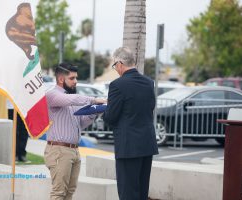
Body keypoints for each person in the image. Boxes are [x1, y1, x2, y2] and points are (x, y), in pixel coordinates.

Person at [45, 63, 106, 200]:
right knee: (59, 193)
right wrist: (94, 99)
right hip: (59, 151)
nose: (76, 81)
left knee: (69, 192)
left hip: (73, 151)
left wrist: (94, 113)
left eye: (76, 78)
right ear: (61, 79)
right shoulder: (53, 95)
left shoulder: (69, 98)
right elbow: (74, 99)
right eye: (72, 78)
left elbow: (80, 123)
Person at [104, 47, 159, 200]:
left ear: (120, 63)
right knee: (142, 191)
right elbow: (150, 107)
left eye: (114, 66)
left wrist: (103, 112)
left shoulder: (117, 85)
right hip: (146, 144)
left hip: (128, 146)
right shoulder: (149, 83)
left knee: (128, 192)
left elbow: (111, 116)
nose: (115, 69)